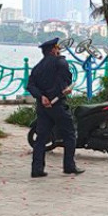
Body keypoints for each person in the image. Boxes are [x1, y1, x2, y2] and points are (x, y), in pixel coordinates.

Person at [27, 37, 83, 177]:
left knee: (41, 138)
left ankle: (37, 169)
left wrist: (41, 97)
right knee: (70, 135)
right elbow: (66, 80)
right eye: (57, 48)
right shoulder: (61, 62)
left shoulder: (37, 67)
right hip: (58, 105)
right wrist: (65, 89)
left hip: (43, 106)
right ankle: (69, 166)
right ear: (53, 50)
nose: (59, 50)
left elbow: (31, 86)